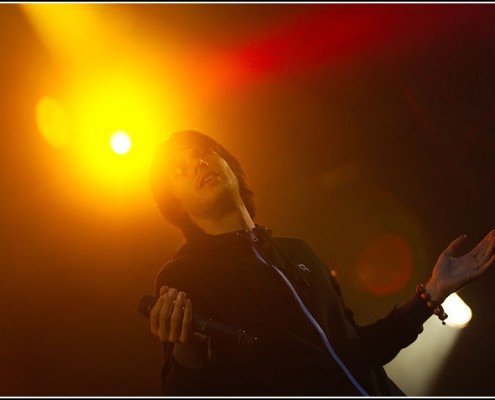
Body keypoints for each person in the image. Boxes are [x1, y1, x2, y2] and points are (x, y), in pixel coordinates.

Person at [146, 129, 494, 396]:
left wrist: (432, 293)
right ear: (174, 204)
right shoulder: (184, 274)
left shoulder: (297, 252)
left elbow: (358, 351)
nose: (198, 164)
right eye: (178, 169)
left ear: (230, 165)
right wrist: (187, 354)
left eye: (204, 153)